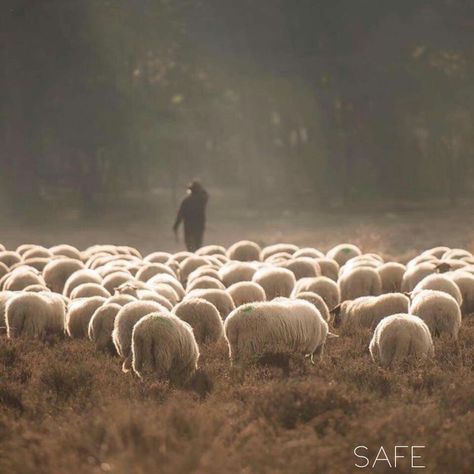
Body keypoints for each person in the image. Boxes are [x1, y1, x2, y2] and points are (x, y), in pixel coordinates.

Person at [173, 180, 209, 252]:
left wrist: (176, 226)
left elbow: (180, 214)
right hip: (199, 227)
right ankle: (198, 261)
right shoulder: (202, 199)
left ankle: (193, 260)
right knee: (198, 247)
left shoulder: (186, 201)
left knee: (190, 248)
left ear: (190, 190)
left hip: (189, 229)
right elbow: (206, 194)